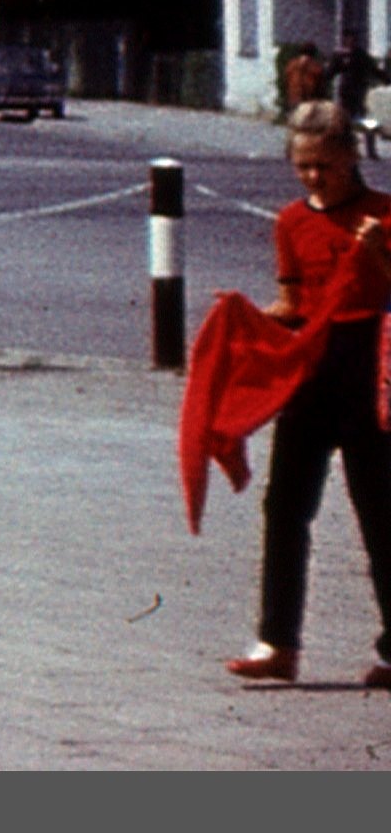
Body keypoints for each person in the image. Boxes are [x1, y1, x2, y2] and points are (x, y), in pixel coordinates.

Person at [217, 102, 391, 686]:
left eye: (325, 164)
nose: (314, 176)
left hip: (371, 364)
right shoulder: (291, 221)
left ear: (350, 157)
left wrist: (379, 255)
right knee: (286, 507)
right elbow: (292, 304)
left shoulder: (383, 214)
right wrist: (245, 322)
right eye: (303, 166)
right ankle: (278, 642)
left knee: (381, 511)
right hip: (313, 371)